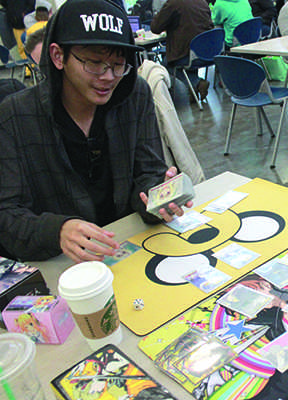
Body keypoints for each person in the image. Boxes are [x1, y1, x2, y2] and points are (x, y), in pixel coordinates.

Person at [0, 0, 191, 263]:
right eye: (94, 63)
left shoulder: (134, 96)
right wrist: (57, 230)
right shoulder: (15, 115)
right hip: (59, 264)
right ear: (58, 56)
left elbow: (146, 173)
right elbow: (6, 214)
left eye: (117, 64)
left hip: (126, 250)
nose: (108, 77)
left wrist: (158, 197)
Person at [150, 0, 213, 93]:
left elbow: (155, 28)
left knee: (166, 64)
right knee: (183, 59)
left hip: (186, 53)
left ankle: (196, 83)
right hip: (207, 52)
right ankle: (192, 90)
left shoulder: (173, 3)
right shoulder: (202, 2)